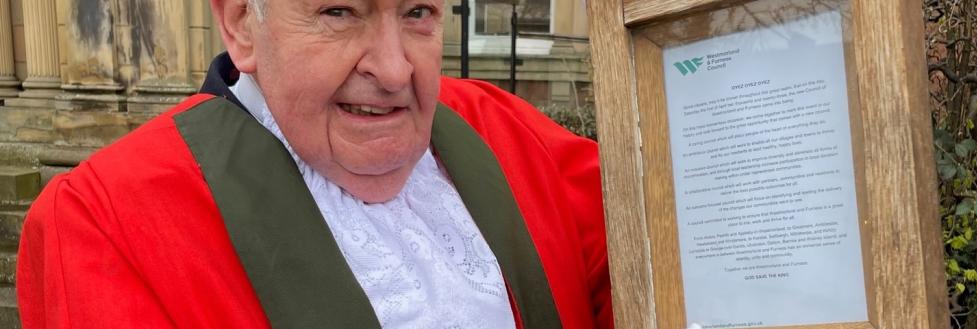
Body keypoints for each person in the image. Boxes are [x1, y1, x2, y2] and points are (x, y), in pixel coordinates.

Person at [16, 0, 611, 328]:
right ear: (242, 24)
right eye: (339, 11)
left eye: (418, 13)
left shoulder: (506, 130)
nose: (395, 68)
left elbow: (649, 270)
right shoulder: (106, 223)